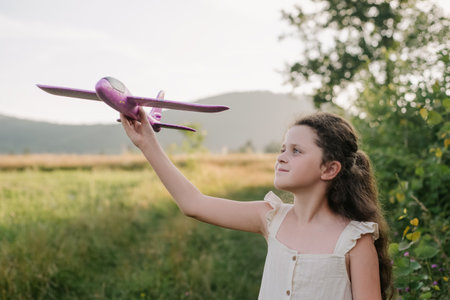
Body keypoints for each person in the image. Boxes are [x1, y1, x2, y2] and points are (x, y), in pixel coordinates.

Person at [120, 107, 393, 300]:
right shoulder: (271, 217)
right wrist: (147, 143)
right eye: (282, 149)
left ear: (329, 169)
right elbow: (194, 203)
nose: (282, 157)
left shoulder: (355, 241)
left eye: (296, 151)